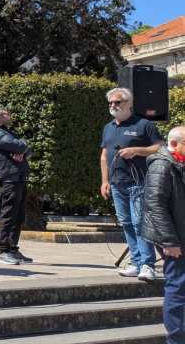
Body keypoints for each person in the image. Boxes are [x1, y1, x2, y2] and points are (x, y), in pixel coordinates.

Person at [100, 87, 163, 281]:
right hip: (117, 183)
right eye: (110, 102)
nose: (113, 105)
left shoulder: (144, 124)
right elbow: (104, 156)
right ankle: (136, 262)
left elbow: (160, 148)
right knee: (126, 223)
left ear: (129, 103)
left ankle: (147, 264)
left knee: (139, 223)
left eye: (117, 102)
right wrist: (104, 181)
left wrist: (136, 150)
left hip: (139, 182)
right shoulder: (108, 127)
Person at [141, 126, 185, 342]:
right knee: (178, 287)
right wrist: (169, 241)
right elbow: (155, 205)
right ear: (175, 144)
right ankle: (177, 339)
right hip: (173, 239)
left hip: (180, 233)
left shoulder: (178, 163)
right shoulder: (162, 165)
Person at [0, 108, 33, 265]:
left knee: (18, 216)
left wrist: (22, 151)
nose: (9, 115)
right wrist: (22, 146)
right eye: (6, 114)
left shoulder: (6, 132)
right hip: (9, 178)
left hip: (18, 177)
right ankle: (3, 250)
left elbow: (27, 150)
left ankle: (12, 249)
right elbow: (19, 145)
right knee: (9, 215)